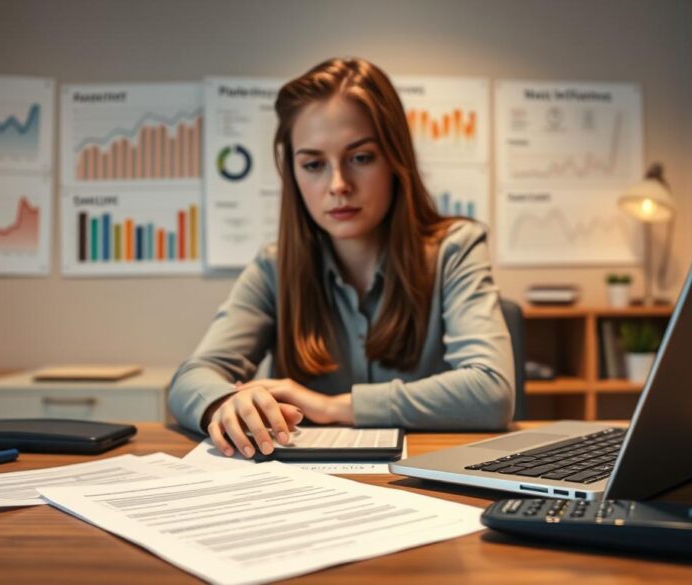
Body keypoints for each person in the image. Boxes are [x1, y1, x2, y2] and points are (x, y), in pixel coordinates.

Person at [169, 57, 514, 458]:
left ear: (395, 160)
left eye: (361, 157)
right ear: (293, 173)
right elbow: (191, 377)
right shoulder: (274, 267)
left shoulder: (457, 247)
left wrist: (333, 407)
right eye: (313, 164)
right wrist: (222, 404)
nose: (338, 185)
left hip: (424, 478)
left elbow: (491, 391)